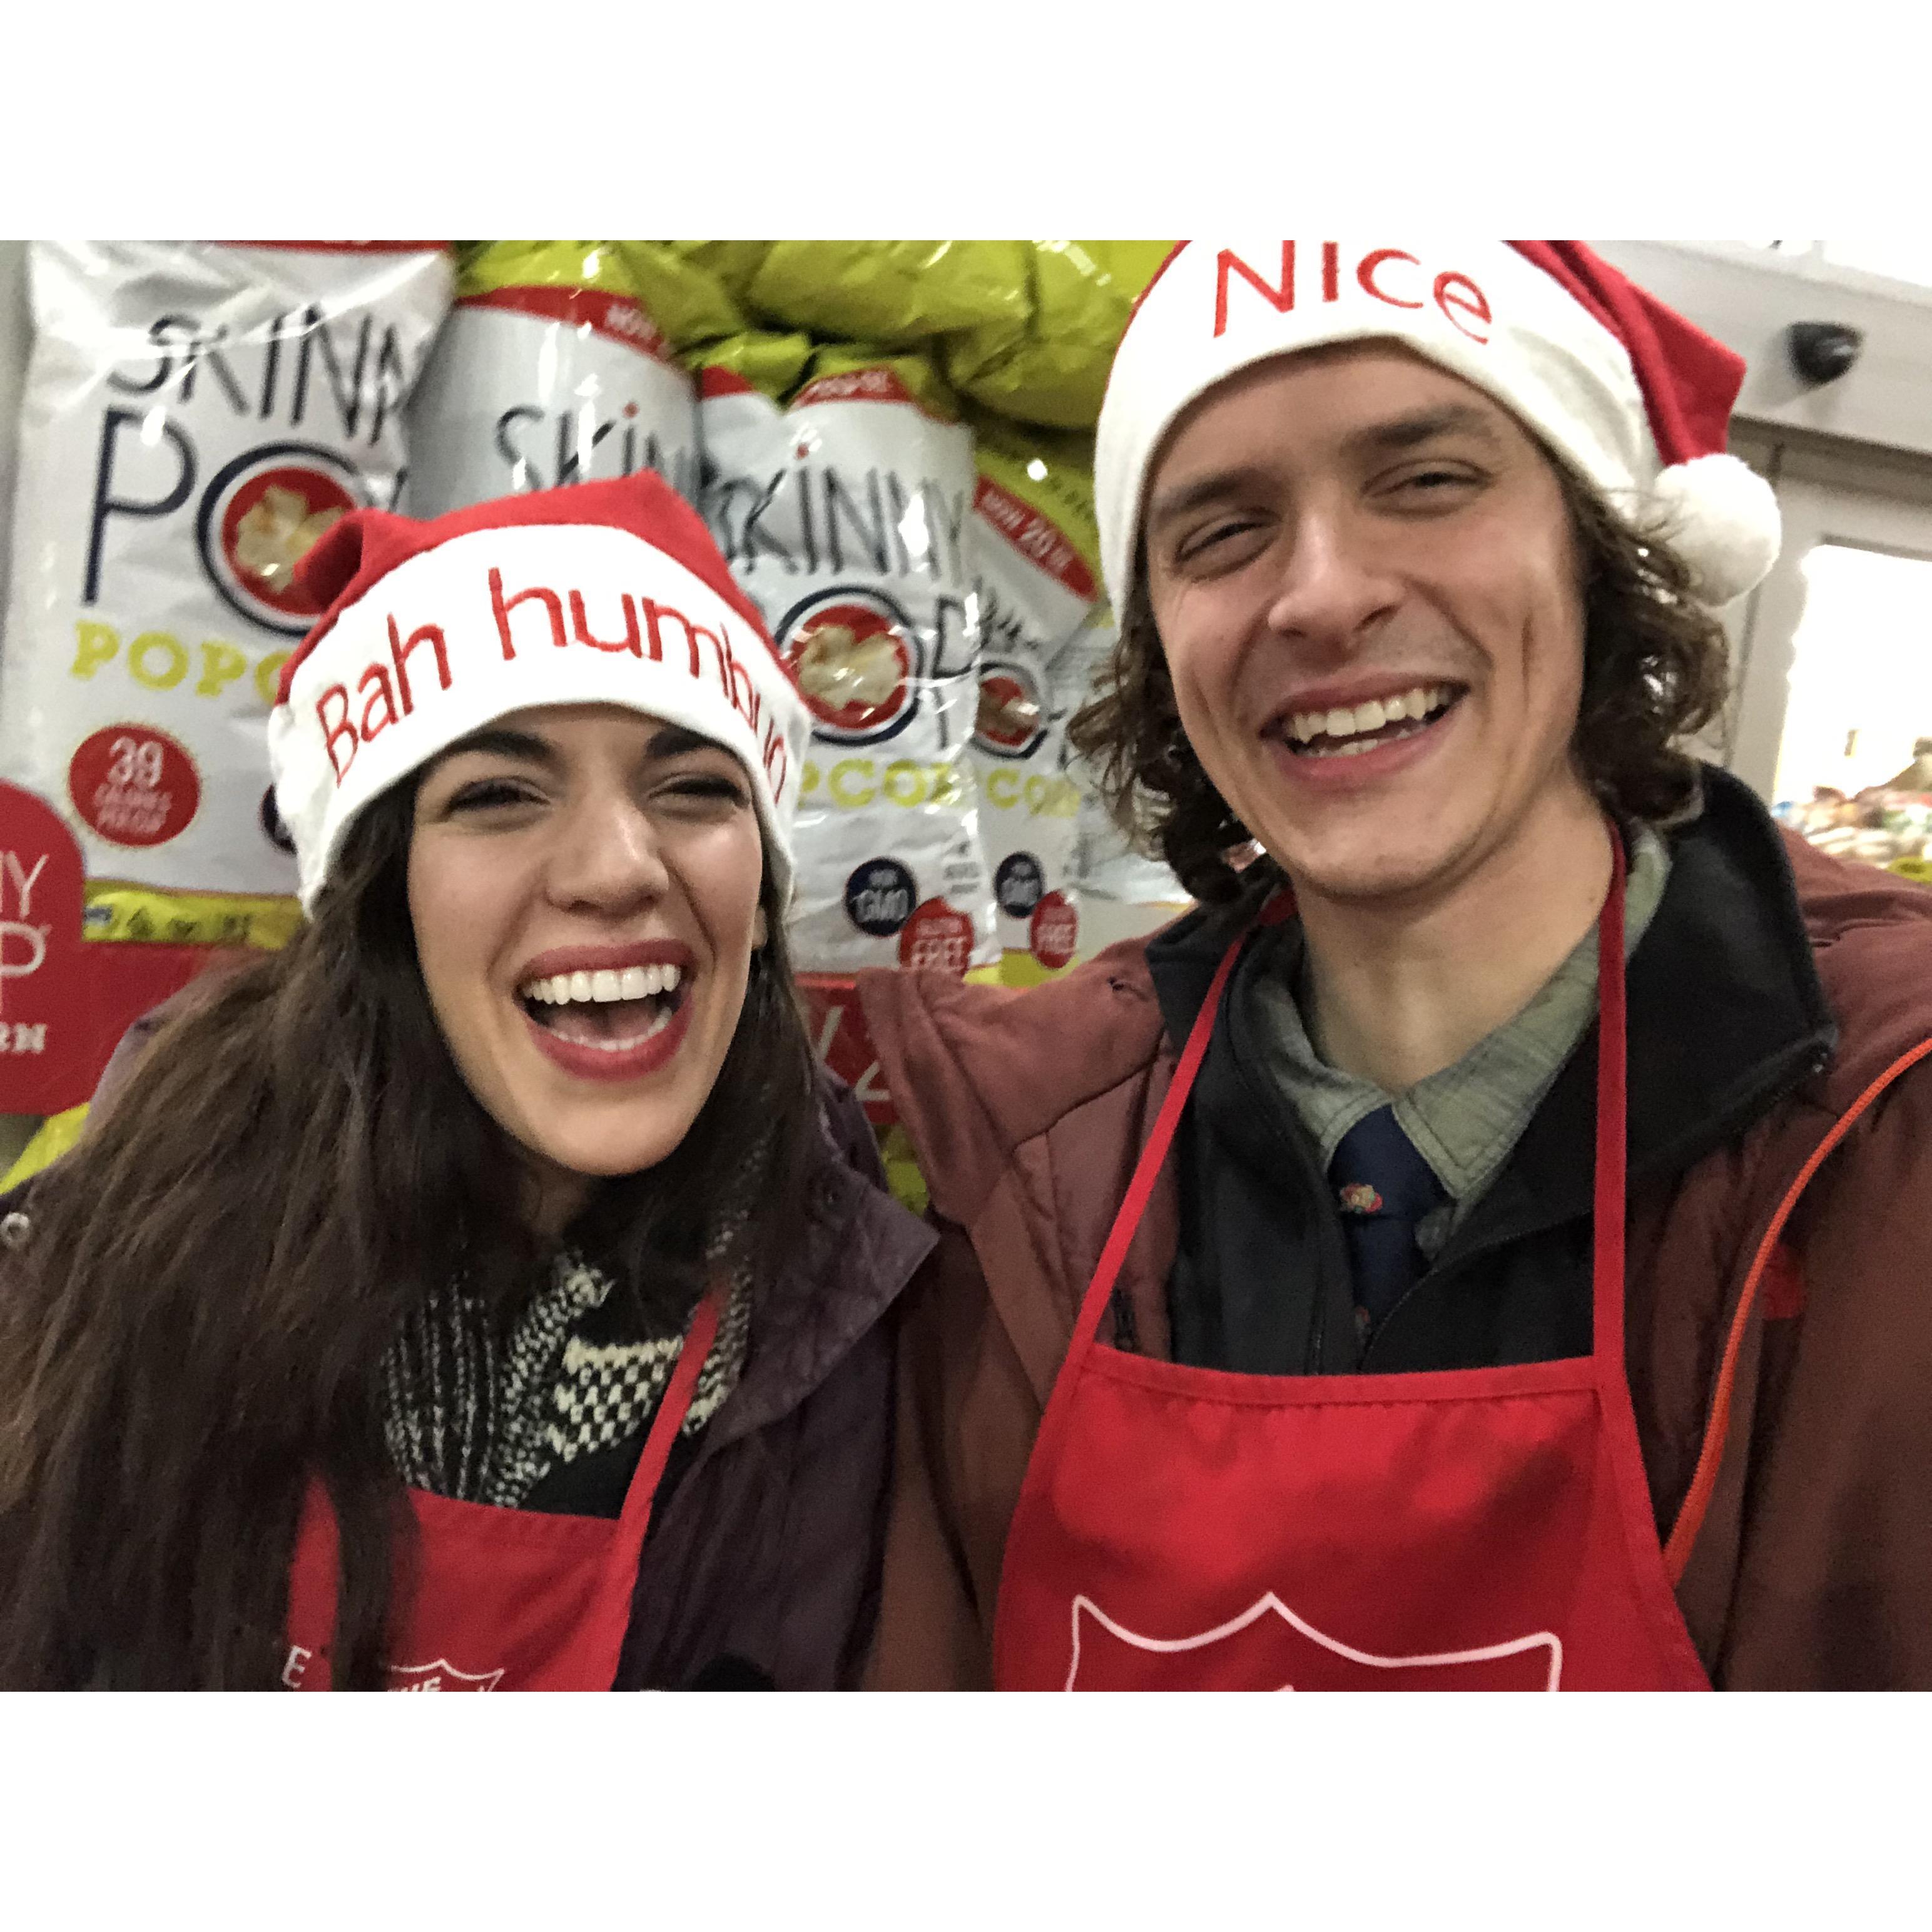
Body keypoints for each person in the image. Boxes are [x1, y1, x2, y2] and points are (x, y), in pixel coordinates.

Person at [860, 239, 1932, 1690]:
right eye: (1220, 532)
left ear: (1600, 550)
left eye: (1424, 480)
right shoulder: (1036, 1157)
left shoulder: (1886, 1149)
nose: (1318, 594)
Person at [0, 474, 933, 1690]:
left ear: (759, 898)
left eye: (695, 786)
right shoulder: (142, 1227)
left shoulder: (847, 1309)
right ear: (378, 901)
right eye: (497, 794)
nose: (615, 866)